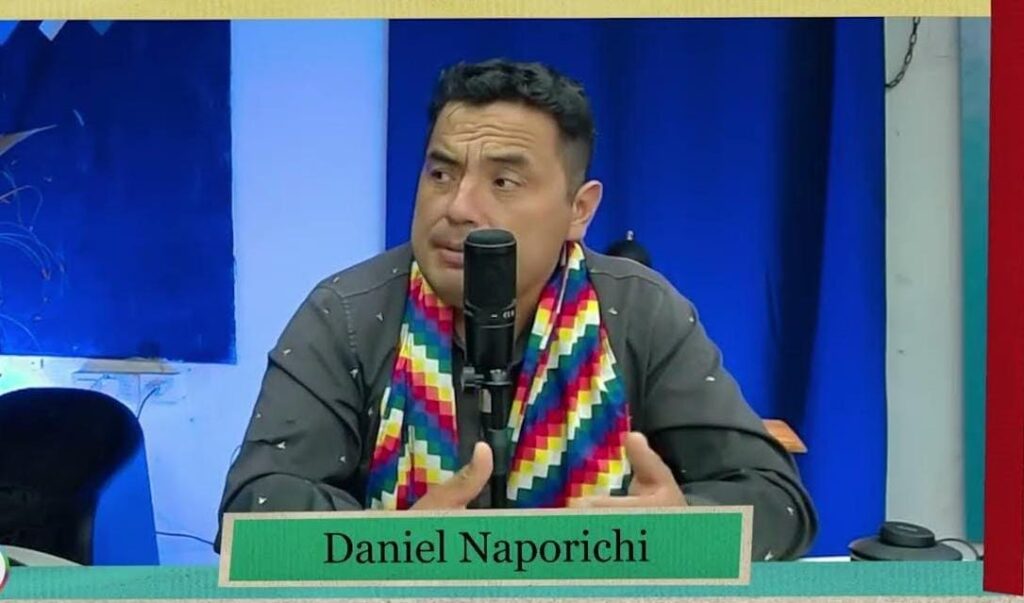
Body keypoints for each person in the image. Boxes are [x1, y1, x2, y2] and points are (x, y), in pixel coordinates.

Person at [215, 58, 818, 561]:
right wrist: (397, 546)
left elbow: (778, 502)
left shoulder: (638, 310)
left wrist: (682, 529)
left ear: (579, 210)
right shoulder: (348, 314)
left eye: (503, 182)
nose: (458, 207)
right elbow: (253, 514)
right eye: (441, 173)